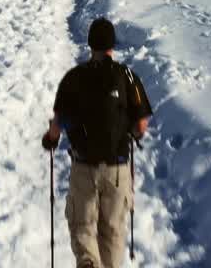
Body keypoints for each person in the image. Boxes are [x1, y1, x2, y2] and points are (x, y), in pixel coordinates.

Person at [42, 17, 153, 268]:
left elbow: (57, 124)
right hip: (118, 168)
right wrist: (132, 134)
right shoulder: (128, 76)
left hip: (84, 168)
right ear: (113, 45)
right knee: (112, 231)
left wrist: (50, 139)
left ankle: (89, 263)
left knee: (82, 227)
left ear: (90, 44)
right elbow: (141, 124)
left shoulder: (73, 78)